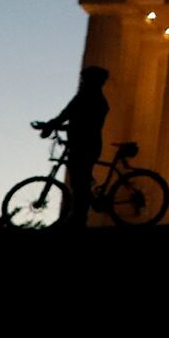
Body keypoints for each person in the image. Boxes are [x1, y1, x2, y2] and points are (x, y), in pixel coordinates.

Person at [35, 66, 111, 227]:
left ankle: (79, 218)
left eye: (85, 79)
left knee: (80, 182)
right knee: (80, 181)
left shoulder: (90, 99)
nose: (82, 82)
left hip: (85, 145)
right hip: (84, 144)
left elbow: (74, 119)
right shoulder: (91, 98)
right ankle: (79, 216)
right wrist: (51, 125)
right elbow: (73, 119)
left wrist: (50, 126)